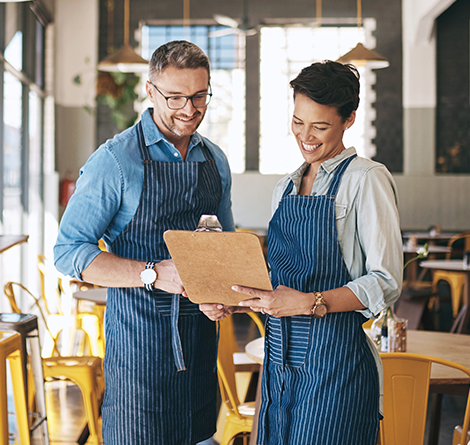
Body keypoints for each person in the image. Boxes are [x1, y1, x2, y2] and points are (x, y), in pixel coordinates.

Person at [201, 61, 403, 444]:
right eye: (298, 122)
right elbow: (278, 287)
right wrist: (236, 302)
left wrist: (309, 302)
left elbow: (386, 282)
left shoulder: (366, 179)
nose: (305, 137)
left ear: (349, 120)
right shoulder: (286, 188)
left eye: (320, 126)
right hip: (278, 363)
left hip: (336, 367)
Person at [54, 40, 235, 445]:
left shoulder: (216, 161)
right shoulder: (116, 161)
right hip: (139, 353)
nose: (190, 109)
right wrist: (153, 273)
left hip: (200, 348)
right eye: (175, 97)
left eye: (200, 96)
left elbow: (223, 251)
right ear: (150, 92)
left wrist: (222, 292)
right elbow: (68, 253)